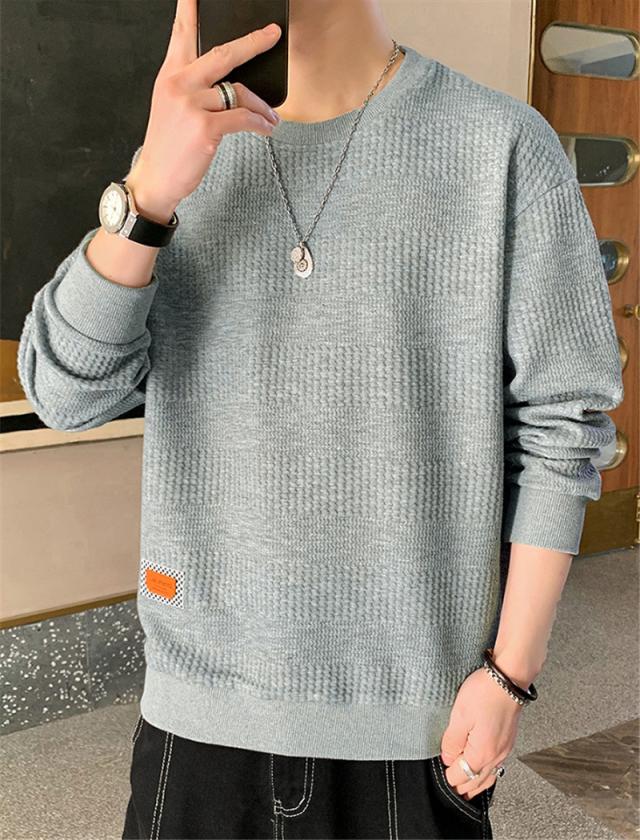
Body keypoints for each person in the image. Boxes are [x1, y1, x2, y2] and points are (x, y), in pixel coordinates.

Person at [17, 0, 623, 837]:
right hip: (197, 724)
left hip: (415, 730)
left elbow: (562, 427)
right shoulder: (180, 156)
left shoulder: (502, 147)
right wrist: (149, 193)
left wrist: (510, 674)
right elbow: (65, 394)